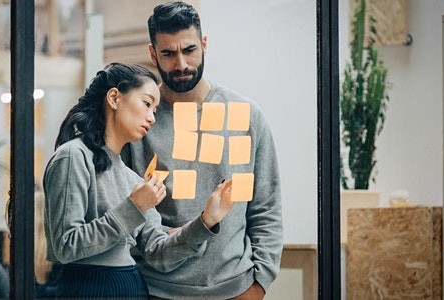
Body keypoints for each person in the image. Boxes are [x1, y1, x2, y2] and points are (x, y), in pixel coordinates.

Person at [121, 2, 284, 299]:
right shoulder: (139, 123)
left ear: (204, 45)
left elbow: (266, 208)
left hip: (235, 288)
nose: (181, 64)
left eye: (189, 50)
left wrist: (259, 284)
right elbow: (127, 212)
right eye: (168, 53)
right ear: (152, 53)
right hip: (156, 290)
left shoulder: (246, 115)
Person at [43, 62, 235, 299]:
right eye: (146, 104)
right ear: (114, 97)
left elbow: (158, 254)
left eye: (155, 110)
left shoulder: (131, 177)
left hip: (132, 287)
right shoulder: (73, 156)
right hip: (86, 288)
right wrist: (133, 207)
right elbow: (66, 246)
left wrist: (206, 221)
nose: (152, 118)